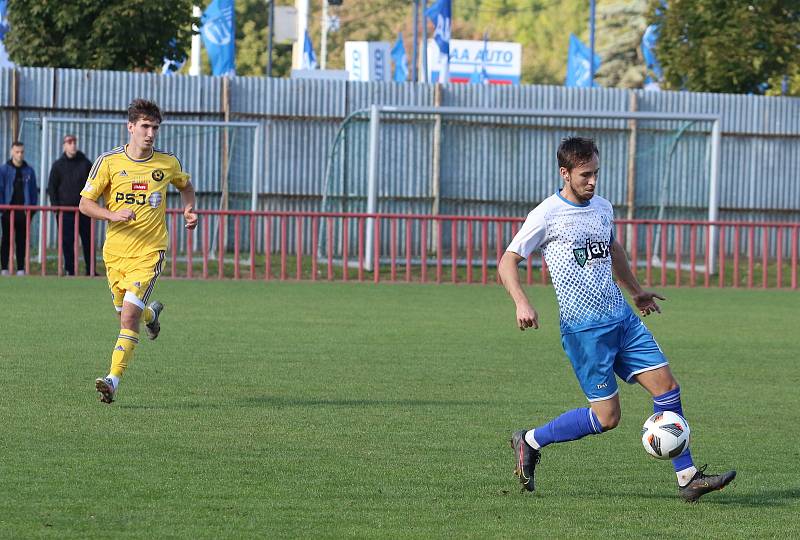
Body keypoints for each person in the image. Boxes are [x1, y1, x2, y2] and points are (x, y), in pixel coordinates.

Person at [499, 137, 735, 503]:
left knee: (667, 388)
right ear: (565, 173)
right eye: (585, 175)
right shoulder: (546, 214)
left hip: (622, 320)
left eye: (596, 173)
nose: (593, 181)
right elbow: (507, 261)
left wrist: (637, 291)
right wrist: (521, 303)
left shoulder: (603, 208)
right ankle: (530, 440)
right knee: (607, 419)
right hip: (585, 332)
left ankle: (688, 479)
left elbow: (614, 250)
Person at [79, 99, 197, 404]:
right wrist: (111, 215)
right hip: (115, 255)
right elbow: (85, 204)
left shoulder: (167, 163)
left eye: (154, 128)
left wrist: (189, 209)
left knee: (127, 315)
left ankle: (112, 380)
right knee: (127, 314)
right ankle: (151, 314)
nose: (150, 133)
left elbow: (186, 185)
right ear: (130, 127)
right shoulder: (108, 162)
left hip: (149, 251)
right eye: (144, 126)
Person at [47, 134, 95, 276]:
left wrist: (92, 203)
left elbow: (93, 183)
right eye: (69, 142)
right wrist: (56, 208)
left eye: (74, 142)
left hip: (84, 210)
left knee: (88, 240)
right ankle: (70, 270)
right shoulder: (58, 165)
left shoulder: (85, 163)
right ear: (64, 145)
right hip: (65, 212)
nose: (72, 145)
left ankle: (90, 270)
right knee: (67, 241)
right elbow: (52, 187)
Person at [0, 142, 38, 276]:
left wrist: (31, 210)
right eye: (17, 152)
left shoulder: (29, 170)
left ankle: (20, 268)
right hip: (7, 212)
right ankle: (4, 268)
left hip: (23, 213)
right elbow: (1, 189)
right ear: (12, 152)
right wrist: (3, 208)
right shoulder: (4, 170)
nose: (20, 154)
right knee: (6, 240)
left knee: (21, 241)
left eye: (22, 152)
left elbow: (34, 192)